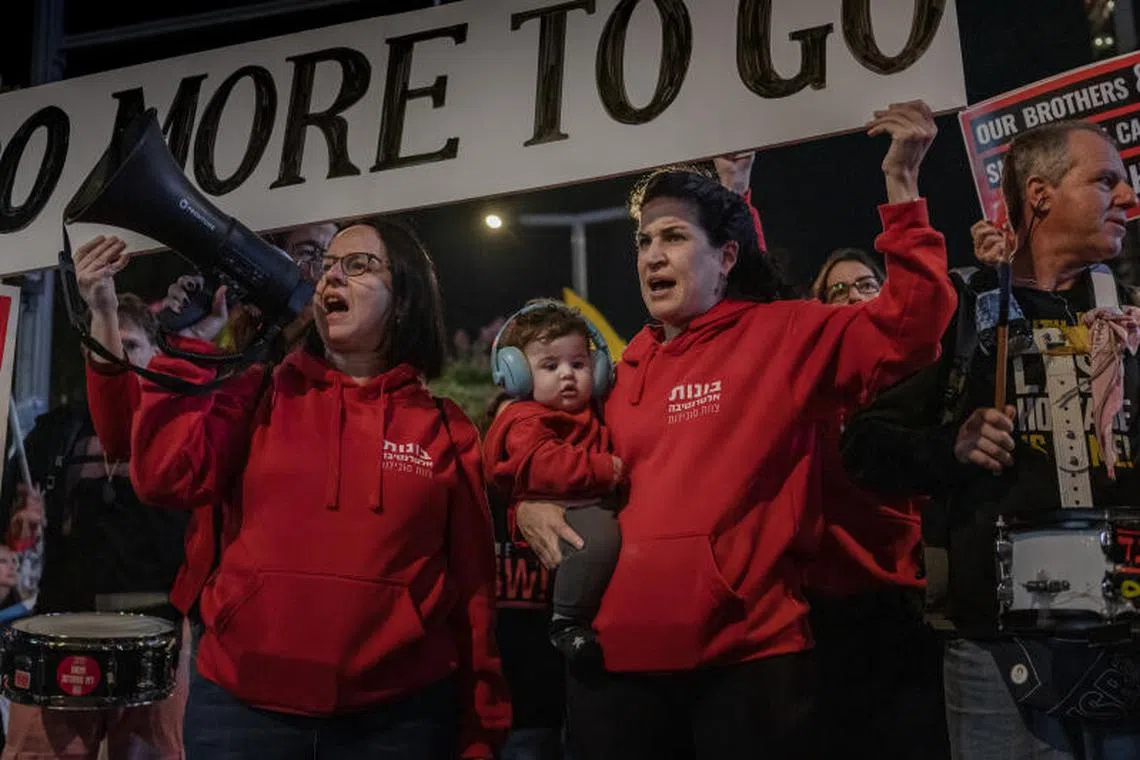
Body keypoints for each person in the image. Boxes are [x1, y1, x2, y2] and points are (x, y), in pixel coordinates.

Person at [514, 99, 955, 760]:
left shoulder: (785, 332)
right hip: (621, 662)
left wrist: (901, 183)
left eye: (674, 237)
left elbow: (911, 326)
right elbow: (581, 459)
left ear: (724, 258)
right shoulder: (630, 359)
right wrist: (532, 498)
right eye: (644, 240)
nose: (652, 255)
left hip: (750, 661)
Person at [128, 216, 510, 759]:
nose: (331, 279)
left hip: (396, 721)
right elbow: (165, 478)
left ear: (404, 299)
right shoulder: (256, 391)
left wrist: (481, 729)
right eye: (328, 266)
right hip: (243, 712)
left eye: (358, 266)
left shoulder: (446, 428)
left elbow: (474, 594)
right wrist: (187, 346)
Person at [841, 120, 1140, 759]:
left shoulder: (1133, 314)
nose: (1128, 200)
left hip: (1126, 641)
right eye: (1106, 181)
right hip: (994, 650)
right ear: (1040, 194)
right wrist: (951, 445)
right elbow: (864, 445)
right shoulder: (957, 306)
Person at [0, 250, 190, 759]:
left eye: (130, 344)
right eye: (105, 344)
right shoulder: (52, 434)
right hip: (62, 628)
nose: (117, 355)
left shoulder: (183, 433)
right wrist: (19, 533)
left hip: (157, 634)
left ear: (156, 353)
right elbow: (12, 532)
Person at [802, 245, 950, 759]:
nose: (853, 296)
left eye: (867, 284)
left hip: (905, 597)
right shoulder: (807, 385)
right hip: (824, 601)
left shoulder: (922, 375)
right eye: (836, 290)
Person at [483, 299, 623, 669]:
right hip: (568, 507)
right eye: (550, 365)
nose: (567, 375)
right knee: (599, 540)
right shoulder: (526, 420)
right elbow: (547, 464)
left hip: (580, 499)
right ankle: (568, 620)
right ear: (517, 376)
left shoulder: (586, 413)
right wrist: (605, 469)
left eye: (578, 364)